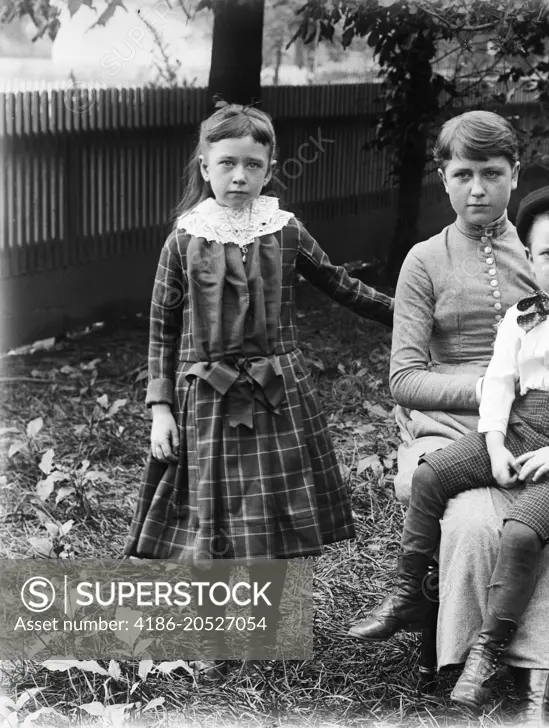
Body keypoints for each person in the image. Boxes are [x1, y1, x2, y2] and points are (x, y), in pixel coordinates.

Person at [348, 110, 549, 721]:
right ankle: (431, 619)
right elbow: (404, 377)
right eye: (463, 173)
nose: (478, 189)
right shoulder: (424, 260)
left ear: (515, 174)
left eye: (493, 173)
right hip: (460, 420)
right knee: (473, 525)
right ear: (443, 177)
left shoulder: (544, 243)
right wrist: (494, 395)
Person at [124, 103, 394, 681]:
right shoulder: (184, 241)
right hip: (210, 398)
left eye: (253, 164)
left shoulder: (285, 230)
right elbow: (161, 328)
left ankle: (271, 626)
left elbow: (341, 284)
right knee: (214, 512)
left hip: (280, 392)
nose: (239, 177)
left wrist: (410, 315)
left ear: (270, 168)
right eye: (227, 164)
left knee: (272, 507)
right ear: (205, 166)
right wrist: (160, 408)